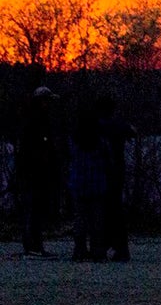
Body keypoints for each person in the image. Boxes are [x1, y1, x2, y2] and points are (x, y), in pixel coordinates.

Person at [14, 86, 62, 256]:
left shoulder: (36, 120)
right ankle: (32, 245)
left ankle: (34, 244)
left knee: (35, 209)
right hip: (33, 172)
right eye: (47, 101)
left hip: (35, 172)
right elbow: (33, 150)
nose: (49, 104)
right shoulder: (35, 121)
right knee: (32, 209)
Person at [95, 94, 135, 261]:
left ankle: (104, 246)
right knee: (116, 211)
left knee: (103, 210)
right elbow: (132, 132)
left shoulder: (97, 126)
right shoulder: (119, 126)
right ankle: (120, 248)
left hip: (102, 172)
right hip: (117, 173)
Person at [68, 103, 108, 262]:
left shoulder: (75, 142)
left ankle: (79, 251)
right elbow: (108, 161)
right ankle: (98, 252)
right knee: (97, 221)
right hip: (97, 185)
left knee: (80, 221)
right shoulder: (100, 143)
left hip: (79, 185)